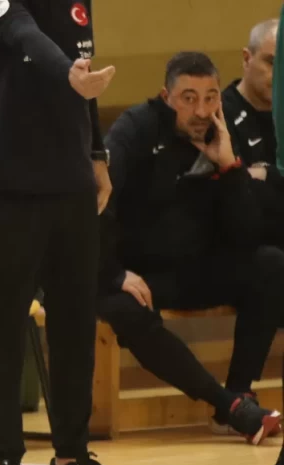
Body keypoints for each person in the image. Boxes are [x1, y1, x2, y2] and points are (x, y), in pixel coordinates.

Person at [0, 0, 139, 465]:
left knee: (75, 324)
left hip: (70, 182)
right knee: (4, 326)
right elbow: (24, 34)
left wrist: (97, 154)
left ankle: (71, 461)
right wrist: (69, 73)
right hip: (5, 184)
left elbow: (85, 76)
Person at [98, 52, 283, 445]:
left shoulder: (220, 132)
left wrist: (229, 168)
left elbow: (248, 232)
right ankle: (229, 406)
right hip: (138, 273)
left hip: (194, 269)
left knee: (270, 264)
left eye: (211, 97)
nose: (201, 111)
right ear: (166, 97)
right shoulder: (136, 128)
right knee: (121, 306)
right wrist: (115, 273)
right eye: (189, 98)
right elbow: (98, 203)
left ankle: (240, 391)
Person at [223, 19, 284, 249]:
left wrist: (267, 173)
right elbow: (240, 196)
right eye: (272, 63)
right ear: (247, 58)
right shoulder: (219, 115)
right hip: (249, 249)